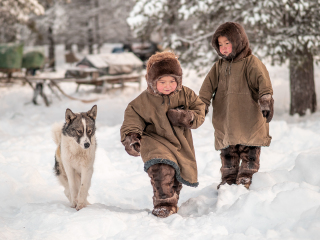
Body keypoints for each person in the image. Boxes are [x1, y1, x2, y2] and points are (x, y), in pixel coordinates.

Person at [120, 51, 205, 218]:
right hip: (154, 141)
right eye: (162, 81)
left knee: (174, 177)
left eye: (172, 81)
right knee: (161, 169)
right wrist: (131, 136)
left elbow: (199, 109)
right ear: (152, 82)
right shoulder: (143, 100)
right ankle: (164, 204)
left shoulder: (186, 94)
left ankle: (171, 199)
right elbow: (133, 117)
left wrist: (188, 117)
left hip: (179, 144)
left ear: (179, 80)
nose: (168, 85)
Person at [199, 22, 274, 189]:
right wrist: (201, 105)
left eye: (228, 43)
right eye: (220, 44)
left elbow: (263, 82)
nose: (224, 48)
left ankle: (247, 175)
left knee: (249, 151)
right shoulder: (218, 67)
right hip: (227, 120)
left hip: (249, 119)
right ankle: (229, 178)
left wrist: (266, 100)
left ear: (238, 41)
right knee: (228, 152)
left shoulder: (251, 63)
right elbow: (206, 88)